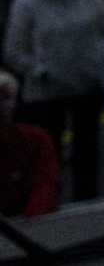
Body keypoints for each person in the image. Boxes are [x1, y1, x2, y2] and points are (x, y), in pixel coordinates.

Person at [3, 0, 104, 202]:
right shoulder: (27, 2)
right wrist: (40, 71)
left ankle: (89, 202)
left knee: (88, 151)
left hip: (86, 85)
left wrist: (101, 65)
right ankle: (48, 202)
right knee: (48, 152)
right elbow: (13, 49)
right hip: (46, 93)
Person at [0, 68, 60, 218]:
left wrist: (32, 221)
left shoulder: (35, 139)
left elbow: (45, 184)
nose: (1, 105)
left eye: (6, 98)